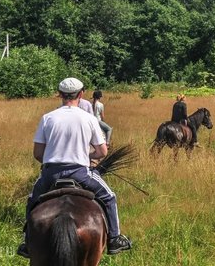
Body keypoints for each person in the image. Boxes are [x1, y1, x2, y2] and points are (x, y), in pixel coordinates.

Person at [17, 78, 131, 258]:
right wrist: (87, 156)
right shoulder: (89, 118)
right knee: (109, 197)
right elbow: (102, 151)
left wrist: (52, 159)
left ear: (60, 94)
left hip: (50, 173)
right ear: (81, 94)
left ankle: (26, 241)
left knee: (32, 200)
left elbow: (38, 153)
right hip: (81, 173)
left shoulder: (47, 118)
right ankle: (115, 239)